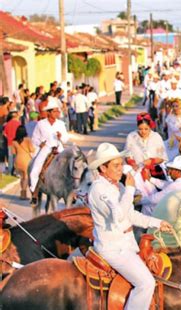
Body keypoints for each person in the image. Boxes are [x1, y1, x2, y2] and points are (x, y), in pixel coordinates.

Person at [88, 142, 173, 310]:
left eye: (121, 164)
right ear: (103, 169)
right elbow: (119, 216)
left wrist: (157, 223)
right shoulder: (99, 190)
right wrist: (129, 190)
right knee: (146, 283)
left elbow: (131, 215)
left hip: (125, 243)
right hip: (112, 248)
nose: (121, 169)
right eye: (116, 166)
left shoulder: (117, 186)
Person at [30, 98, 69, 204]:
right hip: (46, 148)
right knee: (35, 170)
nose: (57, 113)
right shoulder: (41, 124)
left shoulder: (61, 124)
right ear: (49, 112)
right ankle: (34, 192)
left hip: (58, 148)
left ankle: (71, 193)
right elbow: (35, 138)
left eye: (58, 111)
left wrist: (61, 137)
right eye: (55, 111)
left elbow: (66, 139)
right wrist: (40, 143)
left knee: (71, 168)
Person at [11, 125, 35, 200]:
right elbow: (32, 150)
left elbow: (13, 152)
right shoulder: (27, 140)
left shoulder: (14, 141)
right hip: (26, 159)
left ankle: (22, 192)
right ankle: (23, 194)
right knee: (26, 177)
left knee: (22, 177)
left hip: (18, 160)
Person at [3, 109, 21, 175]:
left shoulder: (7, 124)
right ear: (16, 117)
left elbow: (4, 133)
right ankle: (16, 172)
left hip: (9, 142)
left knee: (10, 158)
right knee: (16, 157)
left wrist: (8, 137)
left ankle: (10, 172)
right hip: (16, 143)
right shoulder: (18, 123)